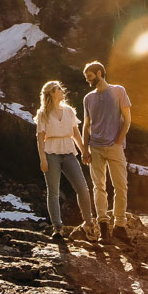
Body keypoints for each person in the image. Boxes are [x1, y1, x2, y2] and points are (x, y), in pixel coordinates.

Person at [33, 79, 97, 242]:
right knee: (53, 191)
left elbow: (75, 133)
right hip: (50, 153)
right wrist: (42, 159)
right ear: (52, 94)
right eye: (59, 89)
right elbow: (40, 138)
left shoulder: (68, 111)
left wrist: (84, 150)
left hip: (68, 151)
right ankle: (57, 228)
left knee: (82, 188)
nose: (62, 91)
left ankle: (89, 224)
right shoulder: (43, 114)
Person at [80, 60, 133, 242]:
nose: (88, 80)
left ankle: (119, 225)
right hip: (95, 148)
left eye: (90, 77)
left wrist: (119, 140)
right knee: (99, 187)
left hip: (114, 147)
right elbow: (86, 126)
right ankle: (103, 227)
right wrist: (84, 149)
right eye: (86, 78)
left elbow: (127, 119)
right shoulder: (88, 98)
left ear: (100, 73)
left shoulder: (119, 91)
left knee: (121, 186)